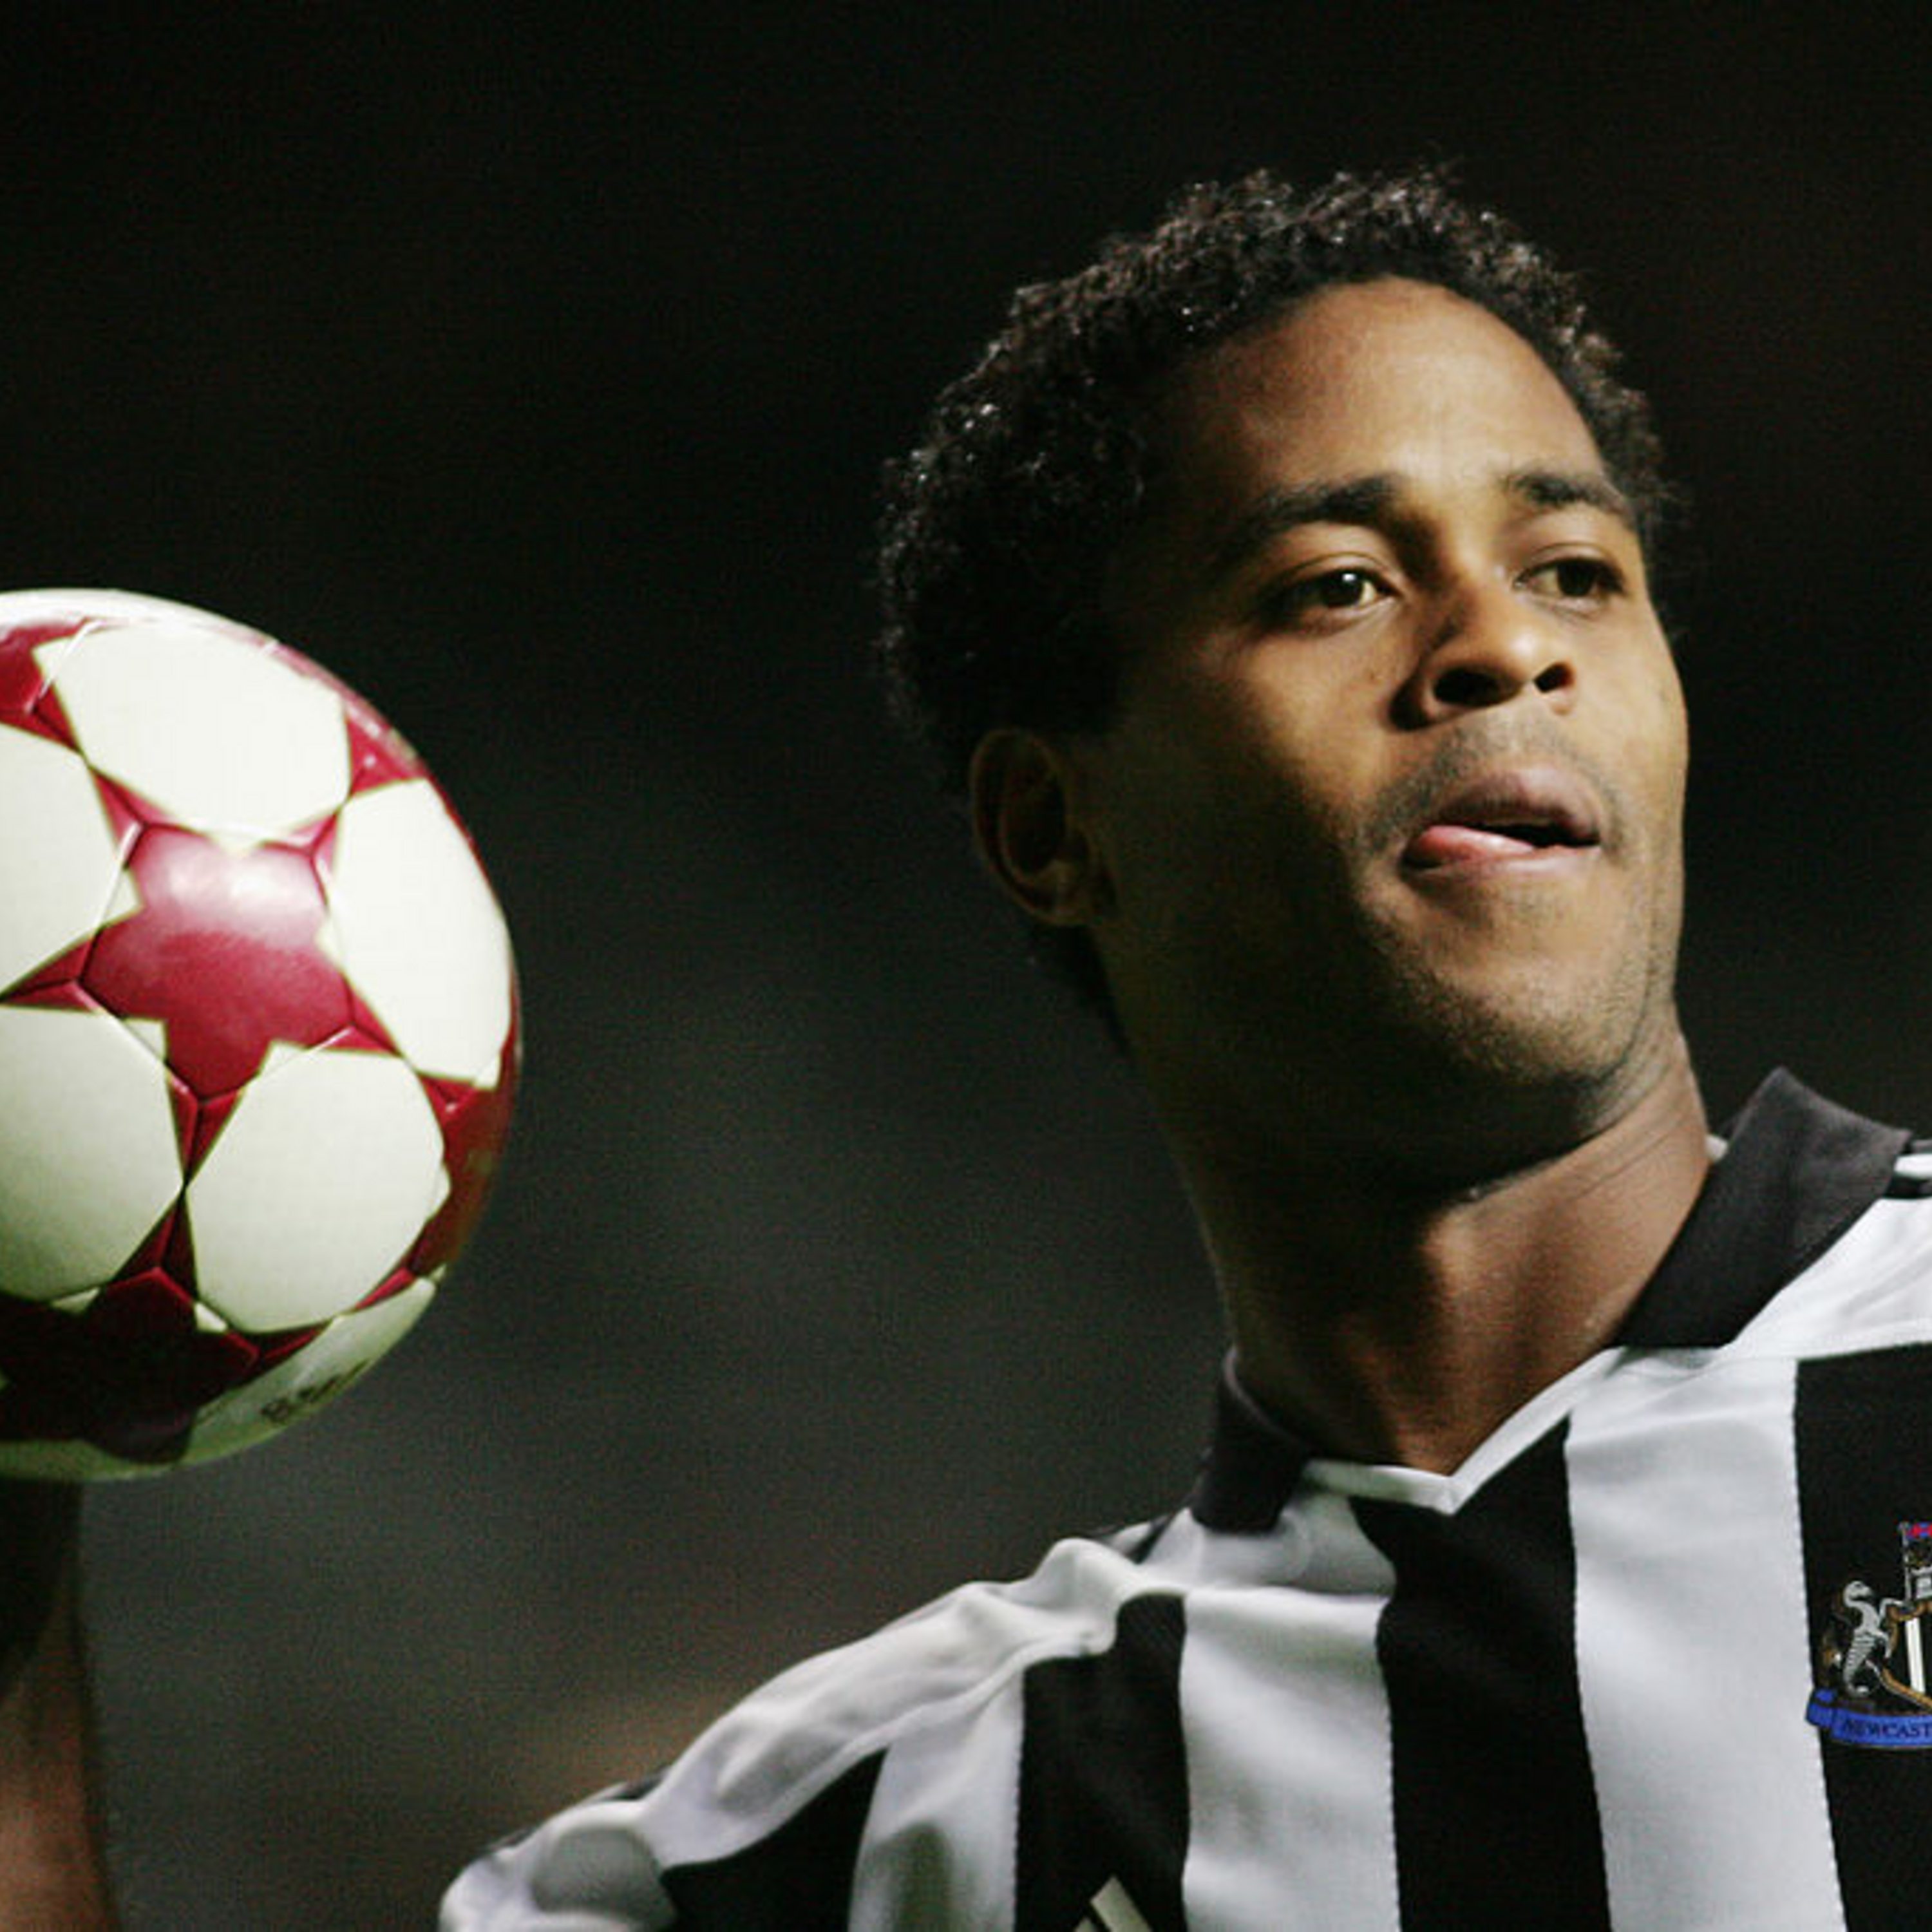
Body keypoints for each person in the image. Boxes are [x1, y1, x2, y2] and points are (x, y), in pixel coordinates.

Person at [8, 166, 1931, 1927]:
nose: (1506, 647)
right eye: (1337, 582)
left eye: (1576, 570)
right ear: (1051, 828)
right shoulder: (895, 1833)